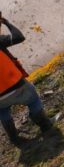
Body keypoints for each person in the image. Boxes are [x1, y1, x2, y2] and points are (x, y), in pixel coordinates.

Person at [0, 13, 56, 147]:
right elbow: (19, 37)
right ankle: (45, 125)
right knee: (32, 100)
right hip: (17, 86)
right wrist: (6, 22)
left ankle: (14, 138)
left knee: (2, 111)